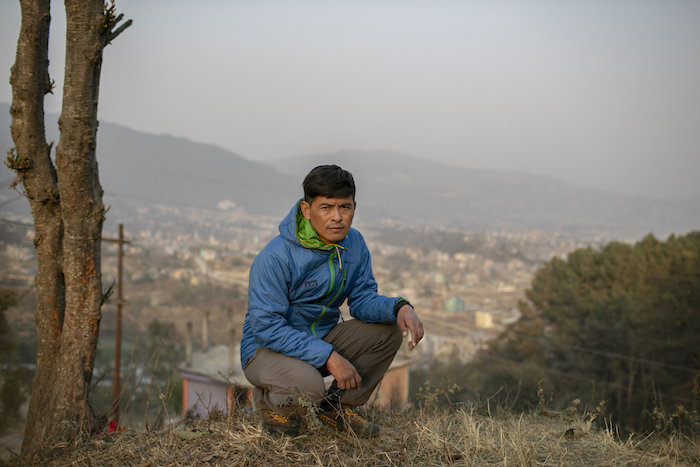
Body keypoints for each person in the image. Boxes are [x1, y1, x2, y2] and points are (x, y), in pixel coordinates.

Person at [240, 164, 424, 437]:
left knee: (388, 331)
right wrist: (328, 356)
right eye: (326, 207)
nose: (337, 217)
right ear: (306, 209)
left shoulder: (355, 244)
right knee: (309, 386)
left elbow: (361, 300)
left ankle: (336, 408)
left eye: (345, 207)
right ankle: (270, 404)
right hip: (266, 351)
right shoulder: (275, 257)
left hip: (321, 339)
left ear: (354, 207)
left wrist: (398, 306)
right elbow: (267, 328)